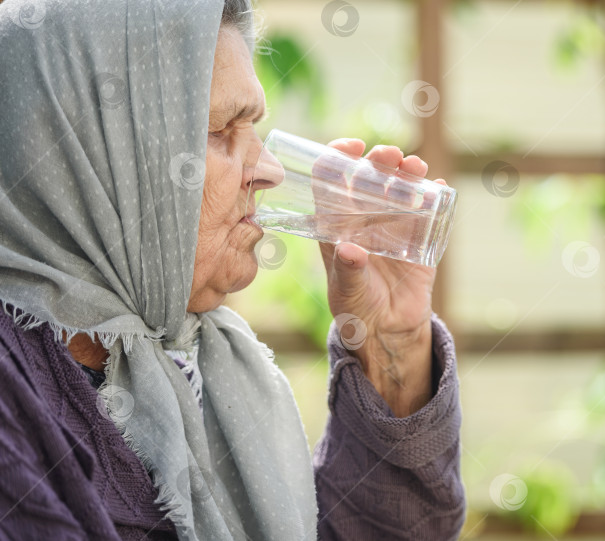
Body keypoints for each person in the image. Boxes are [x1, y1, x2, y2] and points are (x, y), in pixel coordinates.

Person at [0, 0, 465, 539]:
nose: (268, 169)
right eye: (221, 130)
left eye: (254, 127)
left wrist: (393, 346)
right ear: (91, 153)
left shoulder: (197, 364)